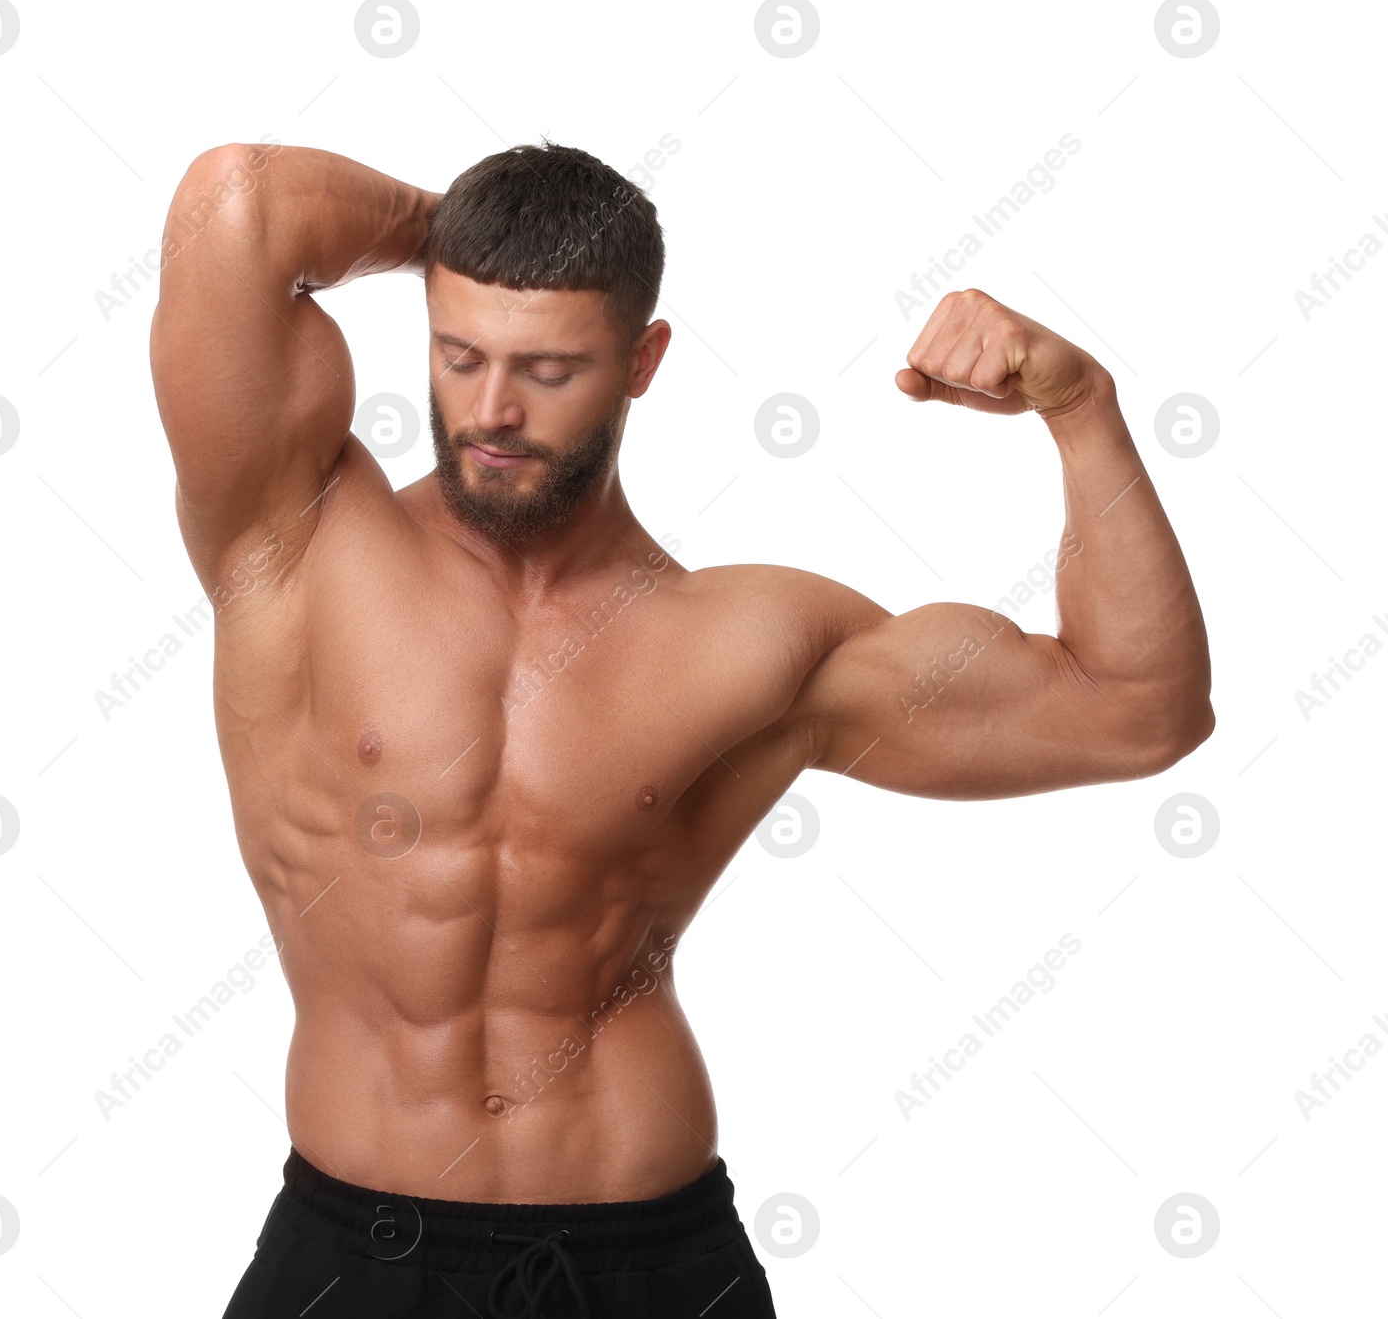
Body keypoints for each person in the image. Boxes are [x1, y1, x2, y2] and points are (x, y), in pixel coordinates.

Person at [148, 138, 1213, 1318]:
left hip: (645, 1261)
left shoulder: (751, 640)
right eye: (459, 357)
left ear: (641, 359)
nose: (491, 411)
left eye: (548, 368)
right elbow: (235, 203)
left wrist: (1080, 407)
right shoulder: (291, 538)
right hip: (355, 1253)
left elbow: (1137, 711)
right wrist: (457, 227)